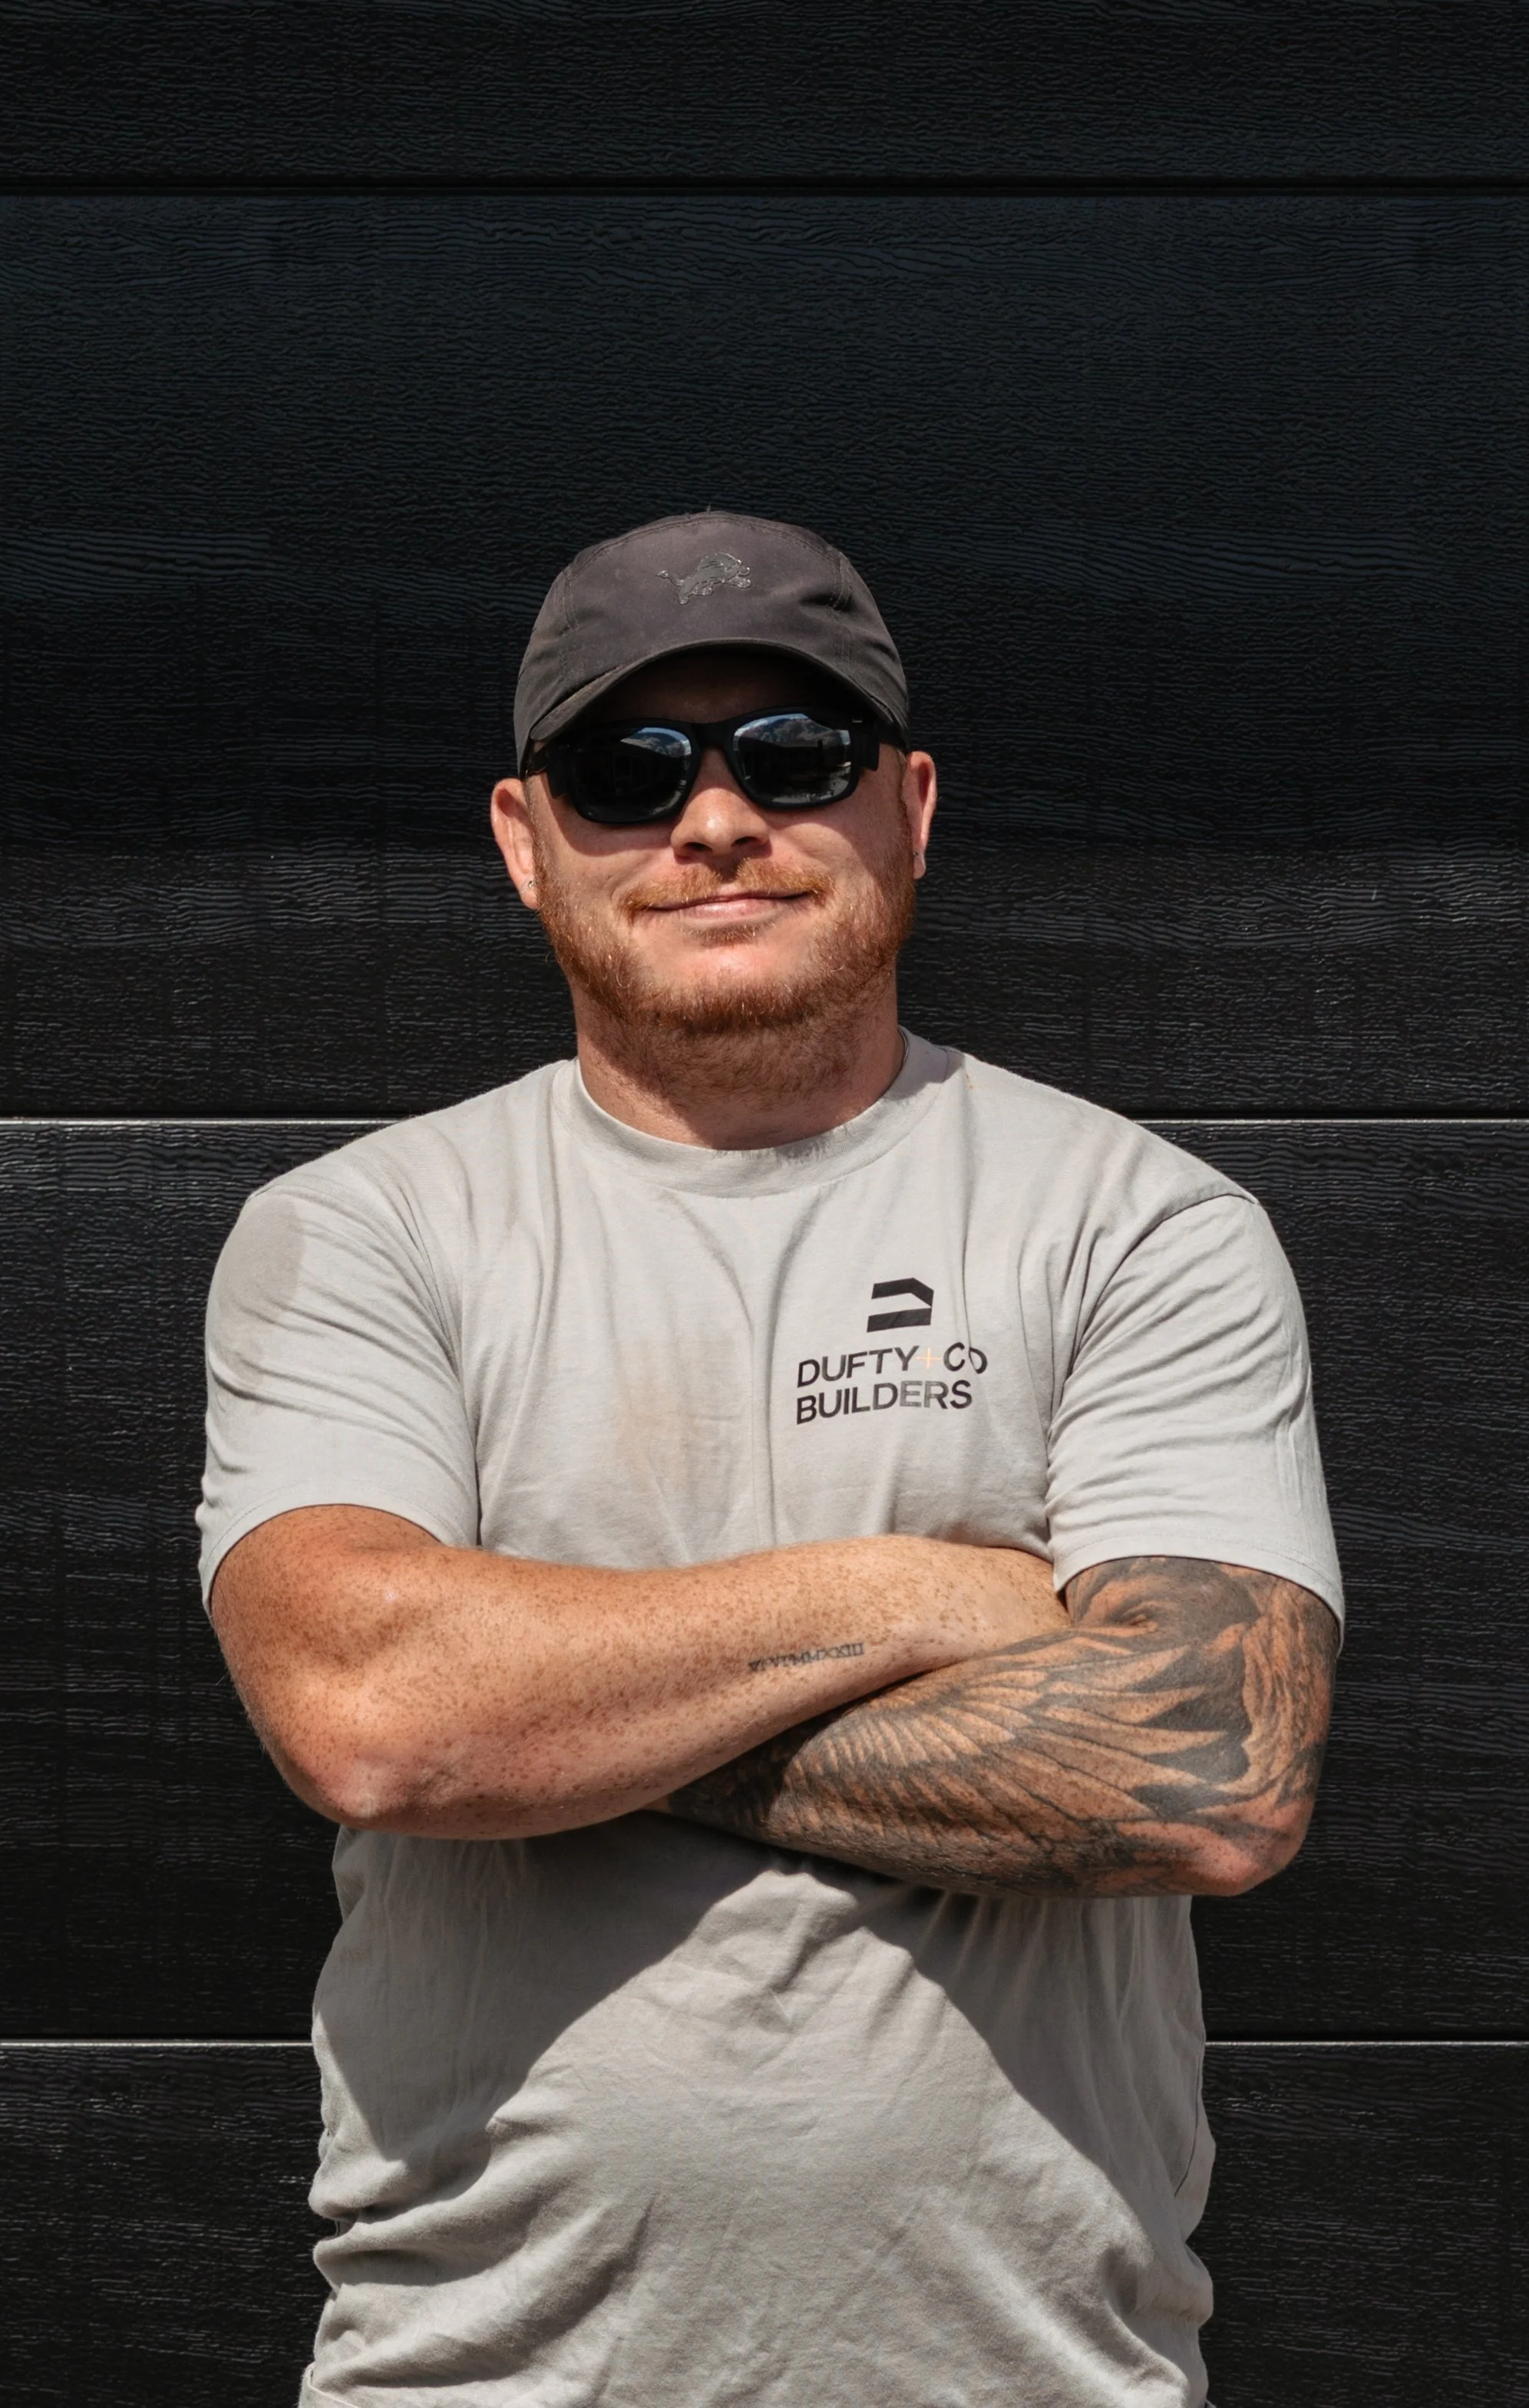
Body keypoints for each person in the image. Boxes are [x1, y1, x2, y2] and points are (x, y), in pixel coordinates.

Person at [200, 510, 1341, 2408]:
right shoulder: (366, 1232)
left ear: (911, 805)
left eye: (794, 756)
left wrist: (546, 1726)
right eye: (627, 768)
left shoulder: (1138, 1223)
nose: (716, 819)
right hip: (479, 2372)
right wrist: (919, 1594)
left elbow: (1208, 1768)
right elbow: (375, 1714)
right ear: (524, 838)